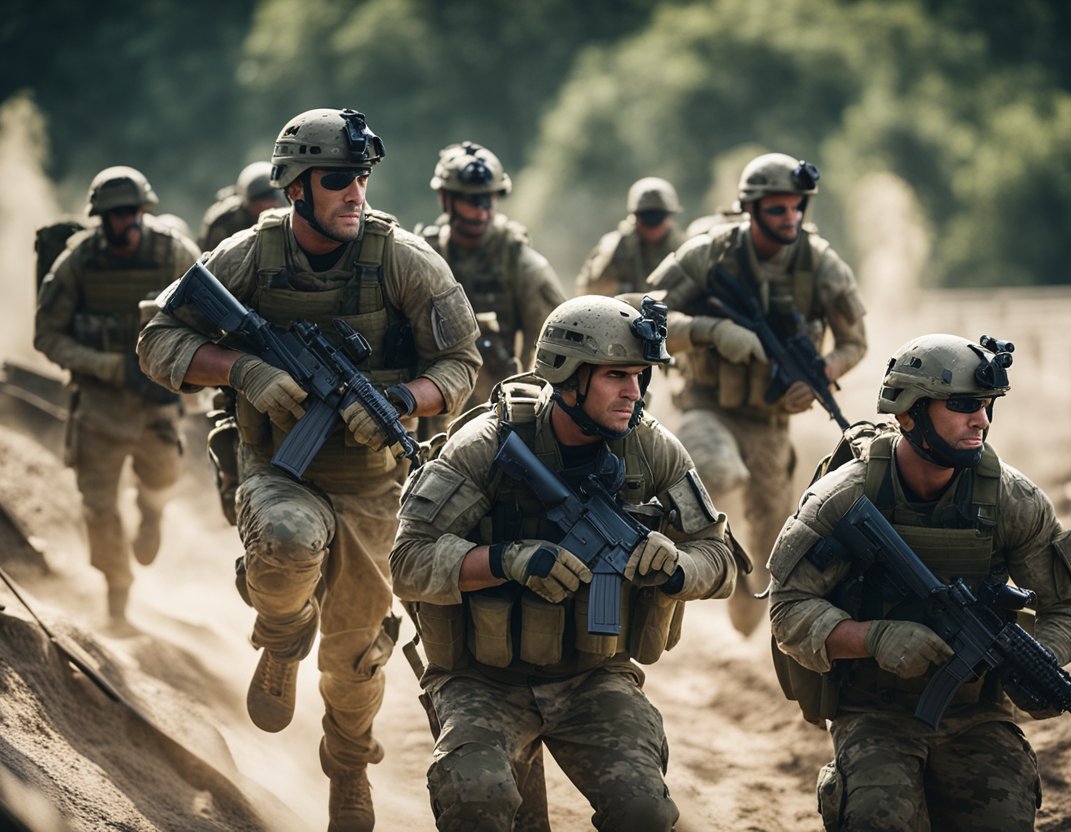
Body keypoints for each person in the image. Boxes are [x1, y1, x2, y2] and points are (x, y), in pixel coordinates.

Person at [136, 108, 481, 832]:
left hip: (375, 482)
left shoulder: (404, 260)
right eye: (337, 179)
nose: (355, 192)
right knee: (289, 541)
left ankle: (348, 767)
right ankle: (283, 632)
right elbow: (158, 340)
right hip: (277, 465)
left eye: (361, 177)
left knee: (358, 655)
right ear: (296, 189)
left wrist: (402, 398)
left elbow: (462, 364)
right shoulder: (249, 256)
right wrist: (243, 370)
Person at [390, 296, 737, 831]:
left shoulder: (652, 452)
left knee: (644, 811)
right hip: (483, 679)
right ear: (567, 376)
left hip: (591, 678)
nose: (634, 392)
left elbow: (721, 558)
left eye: (641, 376)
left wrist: (675, 568)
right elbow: (408, 561)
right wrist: (506, 560)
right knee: (476, 801)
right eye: (616, 376)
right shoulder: (485, 449)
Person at [767, 333, 1071, 831]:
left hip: (977, 714)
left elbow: (1066, 606)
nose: (980, 421)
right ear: (909, 413)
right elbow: (788, 609)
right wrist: (874, 639)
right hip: (874, 711)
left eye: (986, 407)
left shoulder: (1013, 500)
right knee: (877, 818)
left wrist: (1035, 659)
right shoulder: (846, 498)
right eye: (963, 406)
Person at [646, 152, 867, 637]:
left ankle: (744, 610)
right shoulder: (712, 253)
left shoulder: (821, 264)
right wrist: (710, 330)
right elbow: (640, 313)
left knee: (773, 540)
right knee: (718, 471)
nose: (790, 218)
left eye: (797, 208)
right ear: (750, 209)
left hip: (769, 424)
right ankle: (680, 561)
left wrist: (819, 375)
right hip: (706, 407)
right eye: (777, 209)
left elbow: (855, 342)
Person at [34, 165, 200, 626]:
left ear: (144, 211)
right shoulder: (80, 261)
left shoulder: (173, 252)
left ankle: (151, 513)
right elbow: (46, 335)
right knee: (99, 505)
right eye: (113, 215)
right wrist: (109, 367)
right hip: (101, 405)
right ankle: (117, 596)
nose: (122, 222)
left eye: (130, 212)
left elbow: (212, 317)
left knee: (162, 478)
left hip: (159, 401)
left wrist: (172, 363)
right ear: (99, 218)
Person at [414, 141, 567, 435]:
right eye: (472, 201)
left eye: (488, 200)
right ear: (447, 199)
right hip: (433, 417)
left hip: (500, 420)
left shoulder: (521, 264)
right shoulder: (423, 259)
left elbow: (557, 342)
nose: (481, 211)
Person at [575, 177, 685, 297]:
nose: (652, 226)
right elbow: (594, 292)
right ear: (635, 218)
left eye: (658, 216)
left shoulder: (682, 248)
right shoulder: (613, 249)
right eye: (646, 217)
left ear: (669, 217)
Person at [198, 161, 288, 251]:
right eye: (270, 198)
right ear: (251, 202)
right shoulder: (226, 222)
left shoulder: (287, 215)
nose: (276, 204)